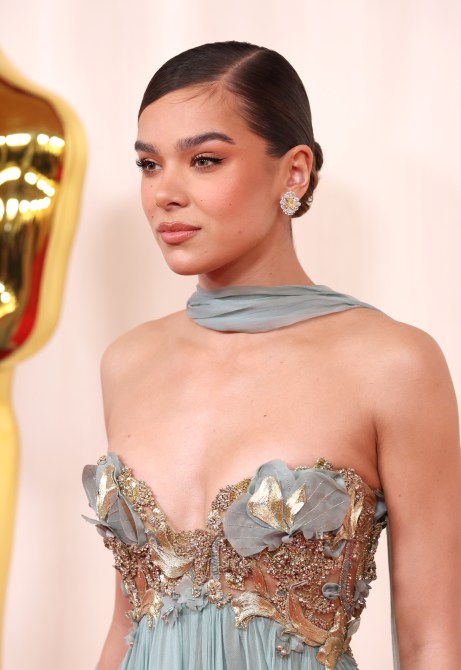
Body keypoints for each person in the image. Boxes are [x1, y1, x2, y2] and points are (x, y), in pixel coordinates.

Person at [82, 41, 461, 670]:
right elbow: (128, 624)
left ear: (294, 172)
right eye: (149, 164)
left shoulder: (393, 365)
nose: (164, 192)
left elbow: (433, 642)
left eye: (204, 160)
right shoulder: (127, 362)